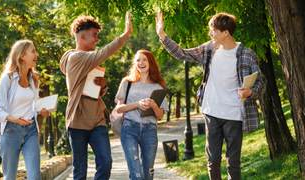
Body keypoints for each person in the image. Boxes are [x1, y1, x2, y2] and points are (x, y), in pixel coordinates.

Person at [156, 12, 267, 180]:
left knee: (233, 162)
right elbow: (183, 54)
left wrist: (251, 91)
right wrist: (162, 36)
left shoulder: (247, 54)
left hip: (234, 115)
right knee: (213, 160)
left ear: (225, 32)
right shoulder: (209, 49)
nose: (210, 34)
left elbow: (261, 82)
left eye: (213, 30)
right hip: (212, 113)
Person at [59, 12, 133, 180]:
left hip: (97, 119)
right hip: (78, 120)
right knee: (80, 170)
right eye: (94, 35)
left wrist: (103, 86)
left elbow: (92, 92)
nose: (97, 40)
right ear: (82, 37)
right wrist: (125, 35)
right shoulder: (76, 57)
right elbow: (104, 52)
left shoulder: (89, 61)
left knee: (106, 162)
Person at [0, 39, 50, 179]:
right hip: (10, 130)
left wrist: (41, 110)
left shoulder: (34, 78)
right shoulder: (7, 78)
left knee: (35, 176)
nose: (36, 54)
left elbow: (33, 104)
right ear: (22, 56)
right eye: (33, 51)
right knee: (10, 176)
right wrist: (14, 119)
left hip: (30, 130)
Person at [115, 50, 169, 180]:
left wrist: (154, 105)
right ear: (135, 63)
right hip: (129, 128)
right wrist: (137, 104)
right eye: (138, 60)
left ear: (151, 63)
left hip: (150, 129)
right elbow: (119, 109)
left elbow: (160, 115)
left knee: (148, 173)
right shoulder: (127, 83)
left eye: (144, 59)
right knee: (136, 173)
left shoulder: (158, 87)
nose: (141, 63)